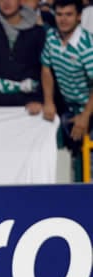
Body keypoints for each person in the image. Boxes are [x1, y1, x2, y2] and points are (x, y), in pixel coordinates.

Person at [42, 0, 93, 175]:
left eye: (69, 15)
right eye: (59, 14)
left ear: (79, 17)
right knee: (69, 160)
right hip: (69, 108)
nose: (63, 20)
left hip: (89, 108)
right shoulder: (51, 38)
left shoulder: (87, 46)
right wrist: (49, 101)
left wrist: (85, 115)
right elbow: (46, 67)